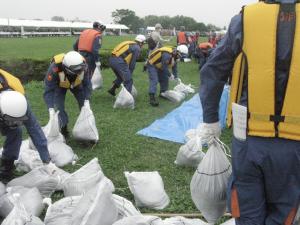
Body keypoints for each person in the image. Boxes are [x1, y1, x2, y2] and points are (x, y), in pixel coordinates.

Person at [199, 0, 300, 224]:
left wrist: (210, 120)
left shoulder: (246, 18)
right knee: (285, 209)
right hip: (295, 145)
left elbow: (213, 70)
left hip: (249, 137)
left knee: (247, 208)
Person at [0, 69, 51, 183]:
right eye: (11, 121)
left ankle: (6, 167)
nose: (13, 124)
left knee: (16, 131)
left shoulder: (21, 103)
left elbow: (35, 130)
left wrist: (47, 160)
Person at [44, 51, 92, 138]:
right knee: (59, 108)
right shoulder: (55, 68)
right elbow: (49, 90)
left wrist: (87, 99)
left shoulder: (84, 66)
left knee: (84, 106)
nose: (80, 71)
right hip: (60, 85)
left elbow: (87, 84)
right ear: (67, 68)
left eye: (81, 70)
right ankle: (64, 129)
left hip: (77, 84)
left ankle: (86, 130)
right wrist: (51, 108)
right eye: (77, 70)